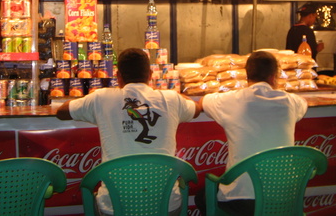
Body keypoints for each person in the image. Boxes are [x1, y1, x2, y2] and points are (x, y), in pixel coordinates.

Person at [56, 48, 201, 216]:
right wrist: (177, 94)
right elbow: (196, 109)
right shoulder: (171, 99)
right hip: (166, 207)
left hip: (114, 208)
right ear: (150, 75)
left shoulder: (102, 98)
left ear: (118, 76)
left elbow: (62, 112)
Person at [195, 51, 308, 216]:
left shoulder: (231, 100)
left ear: (247, 75)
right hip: (284, 199)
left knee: (202, 197)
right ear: (273, 77)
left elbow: (203, 102)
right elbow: (304, 104)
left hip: (241, 202)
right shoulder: (292, 102)